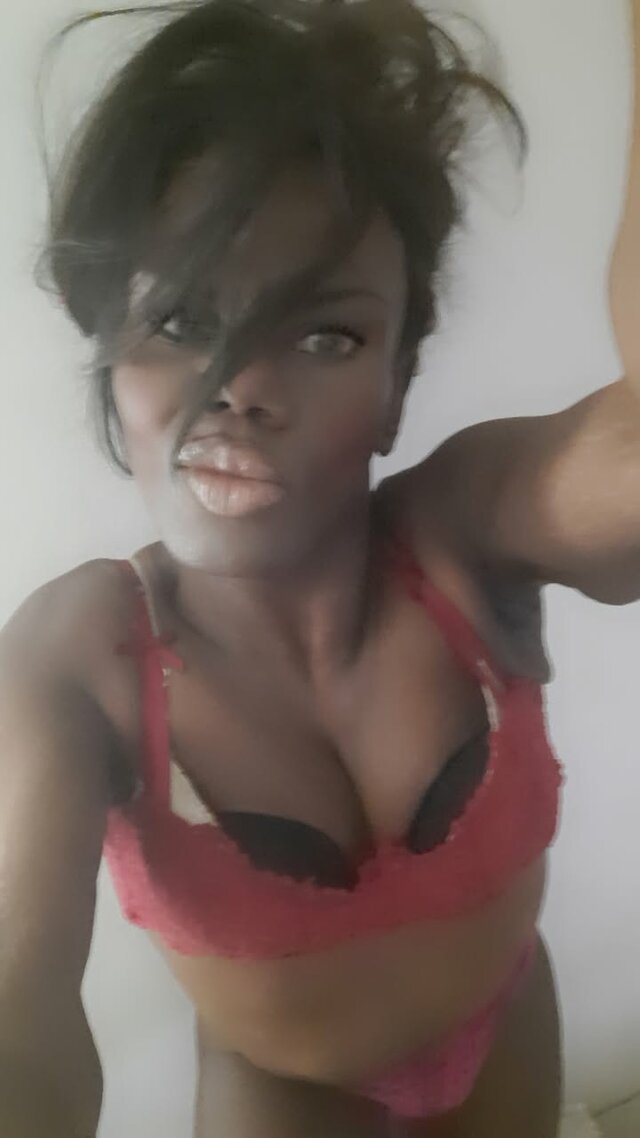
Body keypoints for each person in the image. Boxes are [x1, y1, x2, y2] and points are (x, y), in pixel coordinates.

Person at [1, 0, 638, 1134]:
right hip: (284, 1095)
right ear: (110, 360)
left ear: (396, 387)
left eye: (324, 335)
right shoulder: (76, 661)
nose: (241, 388)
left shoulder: (462, 533)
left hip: (506, 1025)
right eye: (182, 319)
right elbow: (16, 1008)